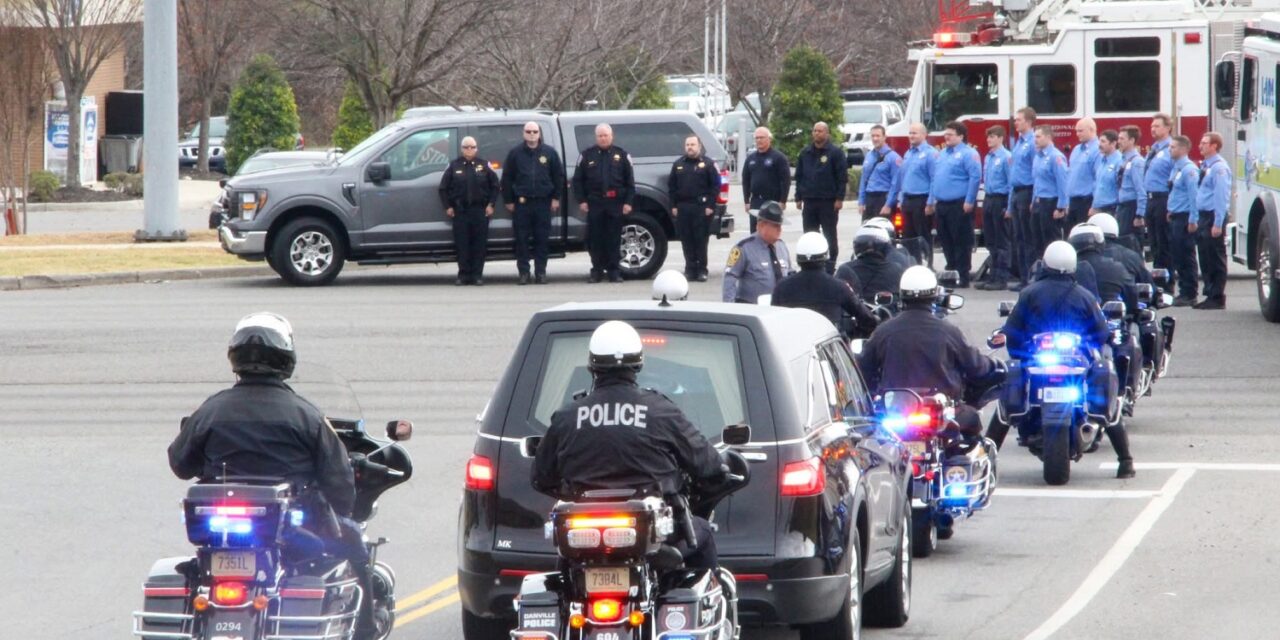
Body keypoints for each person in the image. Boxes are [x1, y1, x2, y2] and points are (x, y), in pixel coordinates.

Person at [168, 313, 379, 638]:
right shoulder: (306, 415)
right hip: (292, 532)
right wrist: (342, 510)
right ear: (285, 359)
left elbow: (180, 464)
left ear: (235, 357)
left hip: (218, 533)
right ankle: (366, 629)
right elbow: (339, 483)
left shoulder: (211, 410)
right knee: (353, 542)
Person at [532, 320, 726, 570]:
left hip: (584, 535)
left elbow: (540, 477)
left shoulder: (567, 417)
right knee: (703, 532)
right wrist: (719, 470)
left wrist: (575, 491)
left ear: (592, 365)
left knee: (565, 570)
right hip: (652, 534)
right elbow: (707, 463)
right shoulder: (660, 410)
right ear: (638, 363)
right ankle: (691, 595)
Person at [991, 242, 1135, 479]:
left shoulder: (1029, 293)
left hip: (1039, 360)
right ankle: (1126, 461)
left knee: (1005, 403)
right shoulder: (1085, 295)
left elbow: (1013, 330)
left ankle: (987, 458)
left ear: (1045, 263)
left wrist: (1017, 350)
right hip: (1073, 361)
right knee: (1105, 398)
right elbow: (1100, 333)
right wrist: (1091, 345)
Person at [857, 266, 1000, 440]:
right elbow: (975, 366)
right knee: (973, 426)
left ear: (902, 295)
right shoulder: (948, 331)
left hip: (896, 414)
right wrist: (992, 365)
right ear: (934, 295)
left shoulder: (884, 332)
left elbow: (863, 372)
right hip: (941, 414)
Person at [774, 232, 879, 337]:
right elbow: (868, 320)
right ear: (826, 256)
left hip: (792, 344)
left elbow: (773, 324)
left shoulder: (781, 288)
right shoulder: (839, 287)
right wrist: (850, 337)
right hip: (829, 344)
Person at [502, 121, 566, 285]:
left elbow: (558, 177)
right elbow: (507, 178)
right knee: (521, 240)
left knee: (542, 239)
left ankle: (540, 273)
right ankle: (524, 273)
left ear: (539, 133)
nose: (531, 134)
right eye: (528, 131)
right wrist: (509, 200)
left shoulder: (549, 153)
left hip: (543, 203)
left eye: (535, 131)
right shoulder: (515, 153)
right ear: (523, 133)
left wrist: (556, 198)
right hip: (522, 204)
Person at [574, 123, 636, 283]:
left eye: (606, 135)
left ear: (611, 136)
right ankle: (597, 271)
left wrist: (628, 202)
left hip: (615, 203)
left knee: (613, 238)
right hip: (595, 202)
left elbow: (630, 182)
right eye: (600, 136)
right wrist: (582, 200)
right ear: (596, 137)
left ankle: (614, 271)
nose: (603, 138)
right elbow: (578, 181)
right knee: (595, 239)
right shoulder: (587, 155)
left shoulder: (621, 155)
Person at [439, 136, 499, 286]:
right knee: (462, 244)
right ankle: (463, 275)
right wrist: (448, 207)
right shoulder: (454, 166)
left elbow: (495, 186)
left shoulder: (484, 165)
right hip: (460, 211)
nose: (469, 150)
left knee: (479, 245)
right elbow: (443, 188)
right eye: (466, 147)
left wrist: (491, 204)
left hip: (480, 211)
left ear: (477, 149)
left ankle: (477, 275)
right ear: (462, 149)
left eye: (472, 147)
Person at [928, 121, 982, 287]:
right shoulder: (942, 154)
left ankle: (963, 275)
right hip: (942, 204)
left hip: (959, 204)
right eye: (946, 134)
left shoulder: (968, 154)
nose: (947, 137)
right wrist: (932, 199)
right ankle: (951, 271)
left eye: (950, 134)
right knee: (945, 240)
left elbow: (975, 177)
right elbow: (935, 178)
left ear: (961, 136)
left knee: (961, 241)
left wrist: (969, 200)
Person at [795, 122, 849, 272]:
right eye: (815, 131)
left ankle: (830, 264)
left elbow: (842, 177)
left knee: (829, 234)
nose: (816, 133)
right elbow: (799, 176)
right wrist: (798, 197)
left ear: (827, 133)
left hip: (828, 202)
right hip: (809, 201)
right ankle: (810, 263)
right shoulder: (805, 153)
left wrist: (839, 198)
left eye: (820, 131)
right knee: (810, 233)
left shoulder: (835, 153)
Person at [668, 135, 721, 282]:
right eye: (687, 145)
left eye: (692, 144)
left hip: (701, 208)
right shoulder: (678, 164)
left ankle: (702, 270)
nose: (690, 147)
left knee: (701, 240)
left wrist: (710, 205)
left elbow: (715, 186)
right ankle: (690, 270)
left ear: (699, 146)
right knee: (686, 240)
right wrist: (673, 206)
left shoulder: (708, 164)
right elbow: (672, 187)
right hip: (683, 207)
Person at [722, 201, 792, 303]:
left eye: (780, 226)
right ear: (761, 225)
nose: (779, 230)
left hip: (779, 307)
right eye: (775, 226)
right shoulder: (744, 248)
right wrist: (730, 307)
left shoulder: (782, 247)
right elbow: (730, 277)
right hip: (751, 307)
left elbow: (789, 274)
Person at [1193, 132, 1232, 310]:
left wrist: (1218, 222)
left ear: (1214, 146)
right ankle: (1209, 293)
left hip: (1212, 216)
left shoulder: (1219, 168)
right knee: (1205, 256)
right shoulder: (1206, 166)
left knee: (1215, 257)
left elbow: (1221, 196)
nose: (1200, 146)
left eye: (1204, 143)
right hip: (1203, 216)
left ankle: (1217, 296)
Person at [893, 122, 939, 266]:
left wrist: (930, 202)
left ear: (924, 135)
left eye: (915, 133)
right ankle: (911, 265)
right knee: (908, 237)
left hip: (922, 200)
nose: (911, 136)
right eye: (910, 133)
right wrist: (901, 199)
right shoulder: (908, 153)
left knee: (923, 237)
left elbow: (934, 179)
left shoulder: (931, 154)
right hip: (908, 200)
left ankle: (926, 266)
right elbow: (904, 177)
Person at [1166, 135, 1200, 306]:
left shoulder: (1189, 170)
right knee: (1178, 255)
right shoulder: (1176, 168)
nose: (1170, 149)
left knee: (1186, 255)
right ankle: (1183, 291)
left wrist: (1193, 219)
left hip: (1185, 217)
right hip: (1176, 216)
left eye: (1173, 147)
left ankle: (1190, 292)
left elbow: (1194, 197)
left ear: (1183, 149)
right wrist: (1170, 210)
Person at [978, 125, 1013, 290]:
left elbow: (1011, 183)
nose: (988, 140)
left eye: (992, 137)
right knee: (990, 239)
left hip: (1001, 199)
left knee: (1001, 241)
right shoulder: (988, 157)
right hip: (989, 198)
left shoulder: (1006, 157)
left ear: (1000, 138)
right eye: (988, 137)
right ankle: (992, 275)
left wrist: (1009, 206)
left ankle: (1001, 277)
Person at [837, 225, 908, 305]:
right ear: (885, 246)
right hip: (888, 312)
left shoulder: (845, 269)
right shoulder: (896, 269)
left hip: (856, 312)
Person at [1009, 107, 1039, 291]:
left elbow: (1036, 172)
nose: (1015, 122)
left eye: (1019, 119)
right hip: (1016, 191)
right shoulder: (1018, 143)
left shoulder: (1033, 142)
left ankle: (1031, 278)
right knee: (1018, 237)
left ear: (1028, 122)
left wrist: (1033, 198)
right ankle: (1022, 277)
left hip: (1027, 191)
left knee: (1028, 238)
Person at [741, 127, 790, 233]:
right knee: (755, 232)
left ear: (769, 139)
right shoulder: (750, 159)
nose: (759, 140)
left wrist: (783, 201)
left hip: (772, 201)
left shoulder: (779, 158)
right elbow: (745, 181)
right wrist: (746, 201)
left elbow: (785, 181)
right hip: (756, 201)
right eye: (757, 138)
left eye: (762, 137)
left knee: (770, 232)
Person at [1144, 114, 1176, 273]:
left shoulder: (1171, 149)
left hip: (1163, 199)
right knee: (1154, 242)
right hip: (1150, 199)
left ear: (1168, 128)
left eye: (1157, 126)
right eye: (1152, 126)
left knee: (1164, 242)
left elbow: (1175, 176)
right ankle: (1158, 276)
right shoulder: (1154, 149)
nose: (1153, 129)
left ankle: (1167, 279)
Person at [1031, 125, 1069, 258]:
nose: (1035, 140)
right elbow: (1037, 181)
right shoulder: (1038, 157)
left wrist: (1061, 207)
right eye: (1034, 137)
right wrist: (1033, 200)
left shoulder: (1056, 157)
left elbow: (1062, 182)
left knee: (1051, 241)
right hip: (1038, 202)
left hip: (1050, 203)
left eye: (1038, 136)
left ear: (1048, 137)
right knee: (1037, 240)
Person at [1114, 125, 1148, 254]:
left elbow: (1141, 190)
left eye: (1122, 139)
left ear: (1132, 140)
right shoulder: (1122, 160)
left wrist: (1139, 214)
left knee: (1132, 245)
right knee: (1122, 244)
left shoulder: (1137, 162)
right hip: (1122, 207)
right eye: (1118, 138)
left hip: (1132, 207)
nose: (1119, 141)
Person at [858, 124, 902, 220]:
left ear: (884, 137)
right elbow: (863, 180)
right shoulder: (869, 155)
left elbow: (896, 184)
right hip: (869, 198)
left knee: (883, 228)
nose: (875, 139)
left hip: (883, 198)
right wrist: (861, 202)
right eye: (873, 136)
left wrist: (888, 204)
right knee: (868, 228)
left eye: (878, 136)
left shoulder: (893, 157)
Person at [1066, 118, 1100, 229]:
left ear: (1091, 129)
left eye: (1080, 131)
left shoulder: (1098, 150)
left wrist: (1095, 205)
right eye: (1076, 131)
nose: (1077, 134)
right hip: (1073, 202)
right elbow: (1070, 176)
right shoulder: (1076, 149)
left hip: (1086, 201)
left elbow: (1098, 179)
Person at [1088, 130, 1123, 218]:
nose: (1099, 145)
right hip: (1098, 209)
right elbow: (1097, 186)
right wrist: (1093, 206)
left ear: (1113, 143)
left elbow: (1121, 187)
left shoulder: (1119, 161)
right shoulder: (1102, 161)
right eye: (1099, 141)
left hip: (1111, 209)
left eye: (1103, 141)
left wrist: (1118, 211)